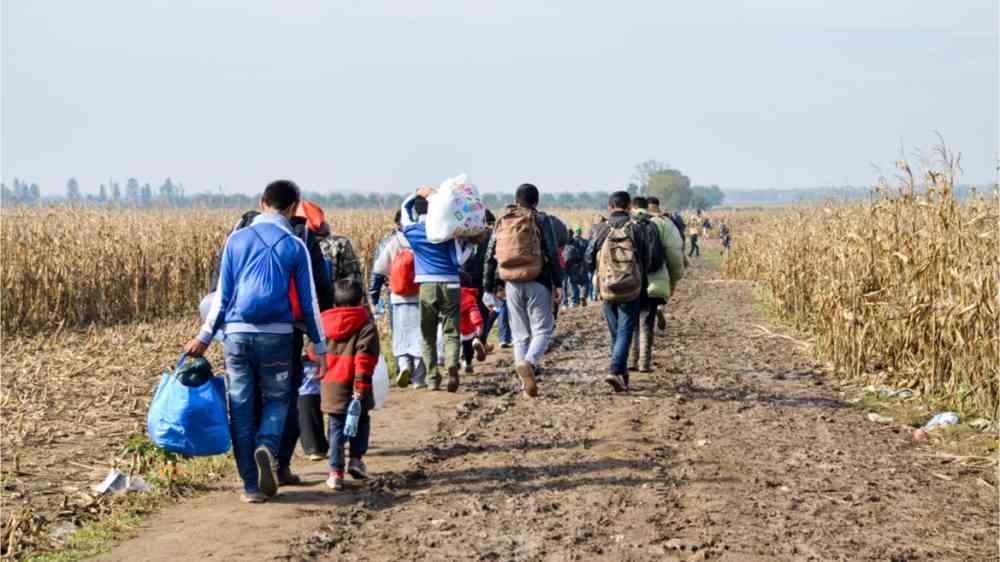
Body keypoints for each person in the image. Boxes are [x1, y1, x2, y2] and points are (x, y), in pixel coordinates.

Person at [186, 180, 327, 504]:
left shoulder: (236, 240)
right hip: (277, 336)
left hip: (236, 336)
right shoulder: (295, 245)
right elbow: (309, 303)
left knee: (241, 409)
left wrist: (204, 336)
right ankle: (267, 445)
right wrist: (320, 349)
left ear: (263, 203)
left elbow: (222, 296)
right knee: (278, 399)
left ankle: (250, 486)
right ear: (294, 208)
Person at [483, 185, 563, 398]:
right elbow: (553, 253)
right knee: (543, 329)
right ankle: (529, 363)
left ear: (516, 201)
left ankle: (523, 381)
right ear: (536, 201)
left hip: (511, 282)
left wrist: (489, 287)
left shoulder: (502, 220)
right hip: (538, 280)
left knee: (519, 335)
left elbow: (490, 256)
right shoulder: (541, 219)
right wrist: (559, 283)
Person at [585, 191, 662, 392]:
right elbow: (652, 259)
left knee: (616, 332)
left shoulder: (601, 229)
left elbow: (587, 258)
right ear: (629, 207)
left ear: (610, 207)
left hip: (607, 289)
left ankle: (620, 373)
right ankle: (616, 369)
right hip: (631, 288)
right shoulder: (639, 228)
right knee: (625, 330)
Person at [401, 191, 473, 392]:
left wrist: (416, 194)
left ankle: (432, 378)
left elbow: (404, 210)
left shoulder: (413, 231)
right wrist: (469, 247)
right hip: (451, 283)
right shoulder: (446, 230)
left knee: (428, 333)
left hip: (427, 285)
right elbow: (458, 260)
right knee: (451, 330)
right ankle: (451, 364)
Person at [319, 278, 380, 491]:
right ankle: (356, 460)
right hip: (357, 386)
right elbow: (365, 358)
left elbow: (311, 350)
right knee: (361, 421)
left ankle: (335, 473)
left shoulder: (323, 323)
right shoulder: (366, 325)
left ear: (334, 303)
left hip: (331, 386)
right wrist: (361, 386)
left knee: (335, 428)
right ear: (361, 300)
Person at [369, 210, 426, 388]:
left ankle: (403, 366)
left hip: (397, 297)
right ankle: (418, 379)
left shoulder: (392, 242)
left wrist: (374, 295)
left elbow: (378, 271)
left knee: (400, 335)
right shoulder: (423, 240)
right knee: (420, 335)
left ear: (397, 224)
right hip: (419, 296)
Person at [628, 197, 674, 373]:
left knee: (631, 322)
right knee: (647, 322)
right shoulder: (656, 225)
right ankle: (644, 364)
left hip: (631, 281)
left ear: (632, 208)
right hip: (652, 281)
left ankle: (632, 360)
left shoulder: (628, 226)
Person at [459, 283, 487, 373]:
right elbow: (473, 311)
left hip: (454, 328)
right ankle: (468, 363)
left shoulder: (449, 295)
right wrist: (478, 323)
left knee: (453, 347)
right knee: (467, 348)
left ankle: (454, 362)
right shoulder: (469, 296)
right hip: (468, 330)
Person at [563, 226, 589, 307]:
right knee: (575, 283)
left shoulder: (561, 242)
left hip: (563, 265)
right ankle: (576, 301)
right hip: (574, 265)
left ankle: (566, 302)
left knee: (566, 284)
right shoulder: (578, 242)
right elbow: (582, 254)